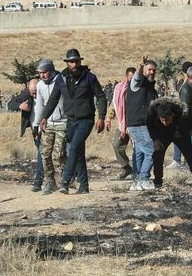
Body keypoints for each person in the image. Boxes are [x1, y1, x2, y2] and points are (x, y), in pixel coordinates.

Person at [40, 49, 106, 194]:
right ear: (67, 63)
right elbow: (53, 99)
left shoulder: (89, 77)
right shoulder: (61, 78)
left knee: (74, 148)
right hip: (70, 121)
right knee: (78, 152)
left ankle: (65, 182)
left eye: (76, 61)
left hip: (86, 120)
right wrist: (44, 116)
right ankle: (84, 186)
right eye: (71, 61)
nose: (74, 64)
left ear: (80, 61)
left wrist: (101, 117)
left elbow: (101, 96)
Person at [147, 97, 192, 188]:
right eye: (162, 120)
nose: (165, 122)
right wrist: (155, 139)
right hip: (162, 134)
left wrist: (183, 130)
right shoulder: (153, 112)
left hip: (180, 133)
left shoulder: (183, 111)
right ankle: (158, 182)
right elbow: (149, 124)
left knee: (189, 154)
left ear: (173, 114)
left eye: (167, 119)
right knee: (158, 155)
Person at [125, 60, 158, 191]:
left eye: (154, 70)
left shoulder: (150, 87)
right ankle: (144, 178)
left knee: (139, 152)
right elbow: (137, 76)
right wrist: (140, 66)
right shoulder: (137, 83)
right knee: (151, 151)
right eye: (149, 69)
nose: (152, 72)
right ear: (144, 70)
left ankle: (136, 181)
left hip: (144, 124)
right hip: (139, 124)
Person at [34, 59, 66, 195]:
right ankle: (50, 181)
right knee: (45, 154)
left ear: (51, 70)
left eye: (44, 72)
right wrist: (36, 124)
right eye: (39, 73)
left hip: (63, 121)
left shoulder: (61, 80)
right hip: (48, 123)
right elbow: (40, 105)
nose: (42, 75)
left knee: (59, 154)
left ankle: (66, 179)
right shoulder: (40, 85)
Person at [105, 67, 136, 181]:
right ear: (126, 77)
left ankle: (138, 171)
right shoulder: (119, 89)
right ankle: (126, 167)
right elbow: (114, 104)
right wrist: (108, 118)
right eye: (130, 78)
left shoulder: (139, 88)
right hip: (122, 125)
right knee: (116, 145)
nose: (132, 81)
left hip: (136, 124)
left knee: (137, 149)